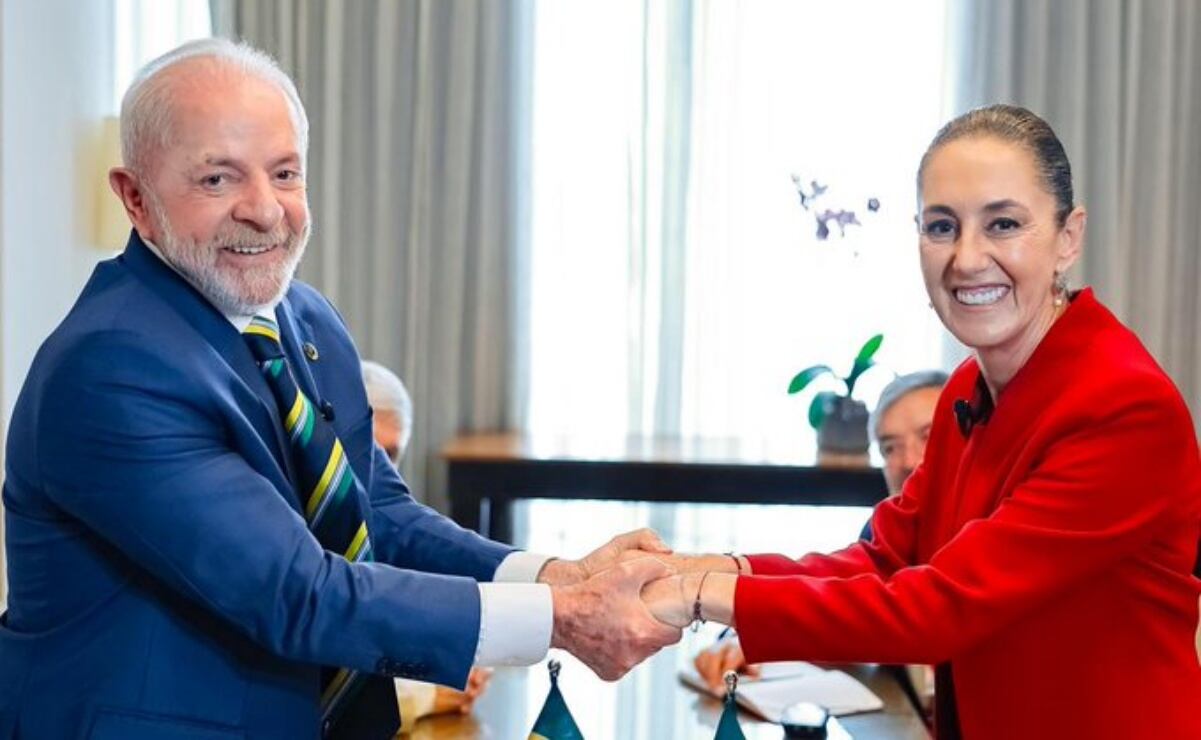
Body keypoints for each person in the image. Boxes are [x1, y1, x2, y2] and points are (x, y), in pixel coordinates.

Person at [0, 39, 679, 740]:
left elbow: (374, 513)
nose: (265, 210)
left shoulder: (304, 316)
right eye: (217, 180)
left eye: (285, 173)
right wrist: (561, 621)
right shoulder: (111, 364)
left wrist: (555, 578)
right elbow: (296, 591)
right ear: (135, 197)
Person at [645, 105, 1201, 739]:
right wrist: (706, 568)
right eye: (942, 226)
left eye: (1004, 224)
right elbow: (885, 559)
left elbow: (938, 607)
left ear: (1068, 238)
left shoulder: (1123, 407)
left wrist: (699, 593)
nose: (966, 259)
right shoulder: (970, 384)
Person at [693, 370, 947, 693]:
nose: (909, 461)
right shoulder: (884, 536)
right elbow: (839, 607)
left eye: (928, 436)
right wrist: (740, 638)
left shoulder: (999, 530)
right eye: (890, 448)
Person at [360, 359, 492, 730]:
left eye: (390, 456)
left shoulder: (395, 532)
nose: (376, 470)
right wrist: (424, 696)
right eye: (365, 451)